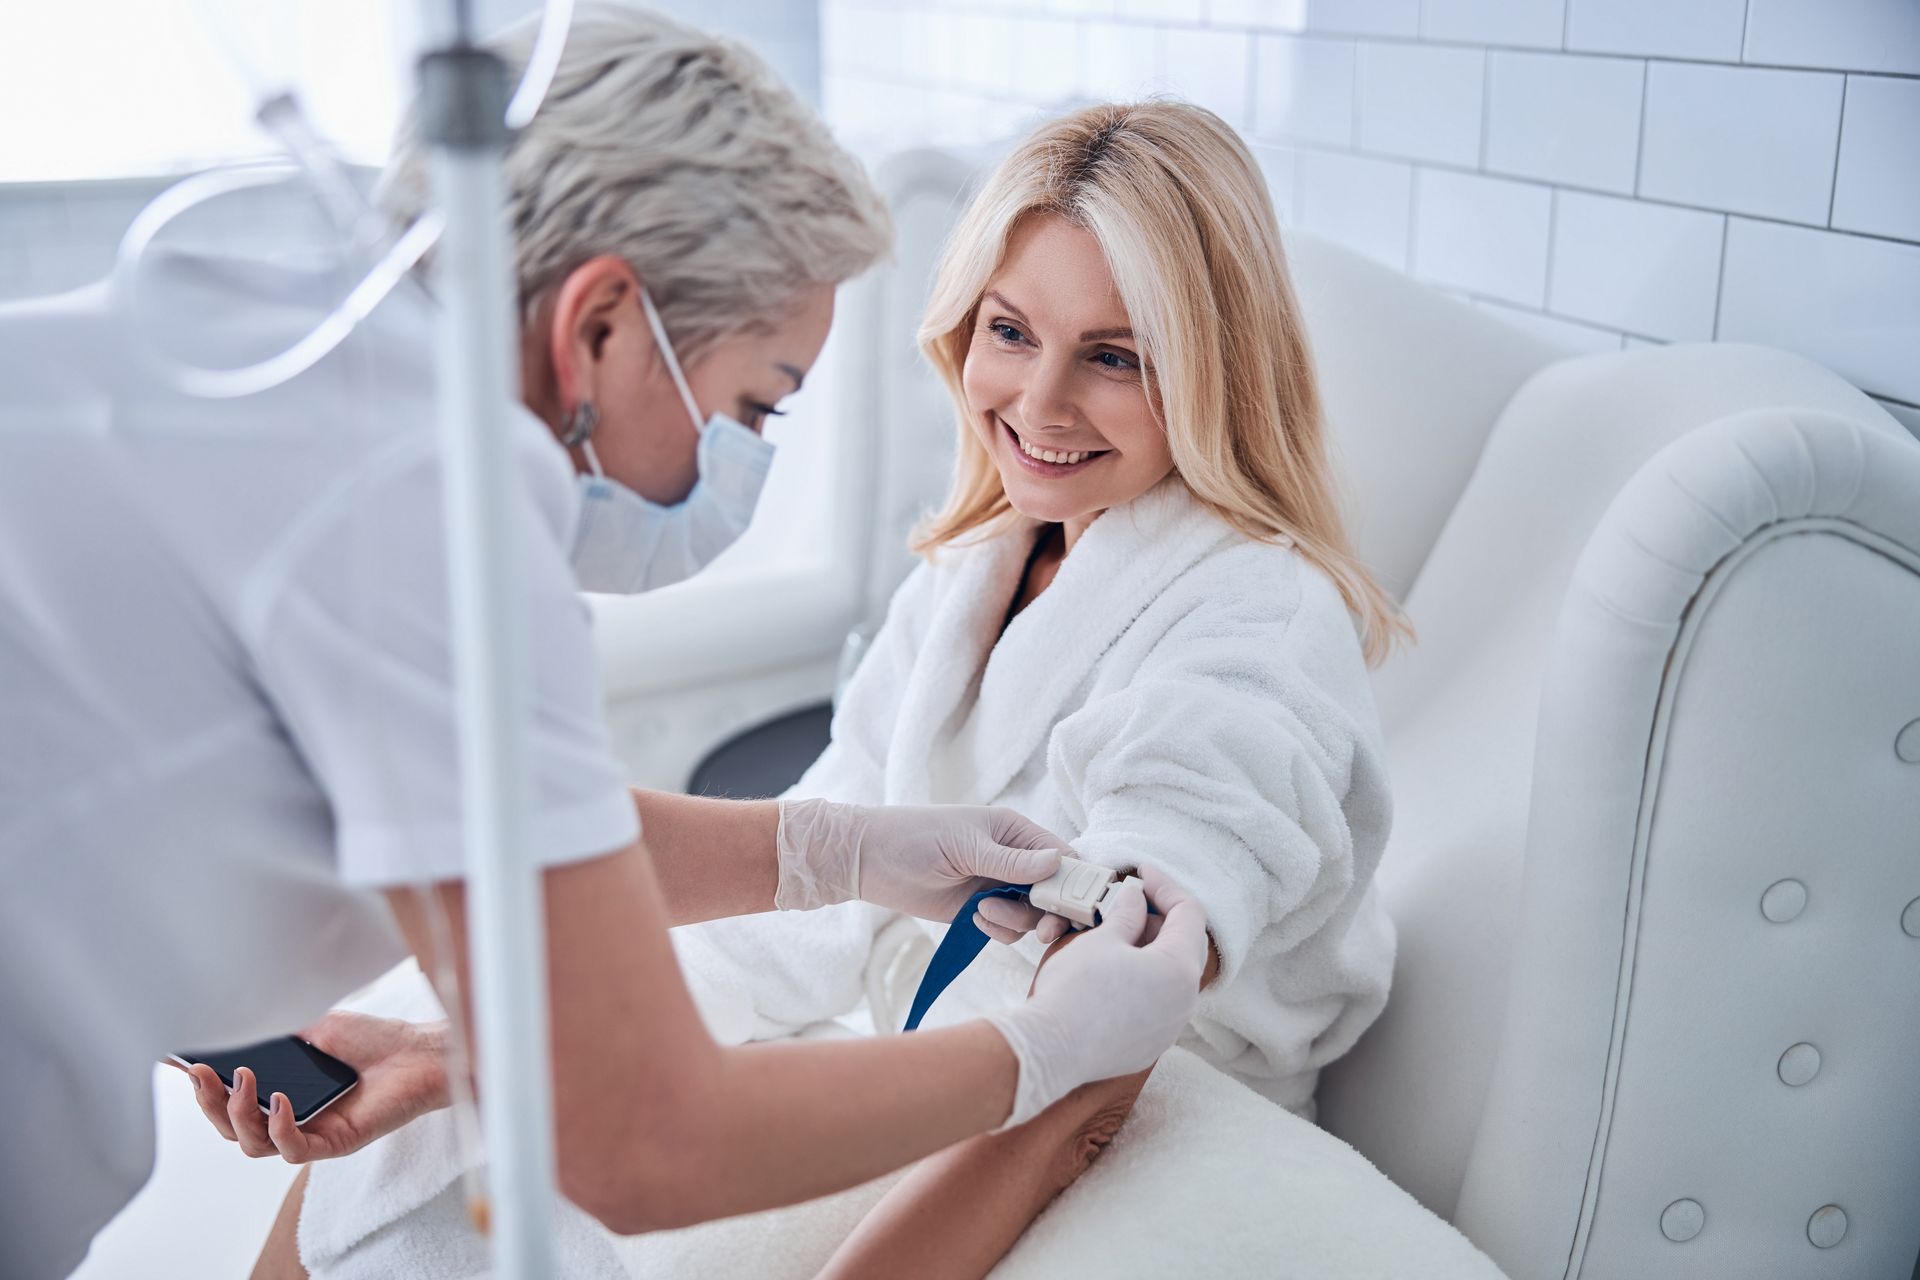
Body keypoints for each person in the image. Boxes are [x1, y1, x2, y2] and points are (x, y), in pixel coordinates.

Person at [0, 8, 1207, 1278]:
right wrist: (1043, 1054)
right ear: (599, 324)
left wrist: (844, 846)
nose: (734, 462)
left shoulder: (247, 350)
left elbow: (509, 812)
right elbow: (642, 1147)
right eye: (756, 403)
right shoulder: (427, 505)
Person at [234, 99, 1417, 1279]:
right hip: (962, 1065)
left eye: (1114, 357)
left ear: (1214, 370)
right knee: (405, 1147)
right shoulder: (978, 566)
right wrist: (470, 1054)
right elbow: (804, 915)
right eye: (1011, 331)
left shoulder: (1258, 625)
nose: (1039, 404)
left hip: (1136, 1125)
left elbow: (1112, 1036)